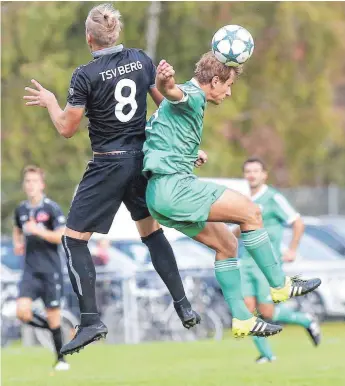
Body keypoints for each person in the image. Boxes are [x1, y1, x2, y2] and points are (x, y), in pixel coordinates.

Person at [23, 3, 199, 355]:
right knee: (151, 234)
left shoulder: (84, 75)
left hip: (107, 164)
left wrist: (51, 101)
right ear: (115, 32)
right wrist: (185, 144)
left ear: (90, 37)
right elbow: (166, 106)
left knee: (73, 241)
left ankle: (90, 320)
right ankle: (183, 305)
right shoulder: (142, 59)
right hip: (140, 161)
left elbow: (67, 129)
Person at [142, 53, 322, 338]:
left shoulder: (180, 106)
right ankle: (280, 285)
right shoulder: (193, 95)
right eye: (228, 85)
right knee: (251, 212)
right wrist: (165, 84)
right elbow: (174, 94)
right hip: (175, 188)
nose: (228, 92)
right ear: (214, 81)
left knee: (227, 243)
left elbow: (168, 115)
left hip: (157, 196)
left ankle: (241, 319)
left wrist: (190, 154)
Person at [239, 157, 321, 363]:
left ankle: (305, 319)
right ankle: (267, 355)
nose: (251, 175)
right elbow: (241, 228)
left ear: (264, 174)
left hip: (267, 265)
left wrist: (292, 249)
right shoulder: (243, 200)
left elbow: (297, 222)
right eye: (248, 171)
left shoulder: (273, 198)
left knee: (266, 311)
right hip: (246, 262)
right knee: (247, 311)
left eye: (256, 171)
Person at [13, 165, 69, 371]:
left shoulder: (51, 208)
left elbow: (60, 236)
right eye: (27, 181)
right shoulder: (21, 209)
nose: (30, 185)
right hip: (30, 270)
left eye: (34, 181)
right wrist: (17, 243)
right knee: (21, 312)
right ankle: (53, 330)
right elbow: (17, 229)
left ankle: (61, 360)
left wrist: (38, 231)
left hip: (50, 270)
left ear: (42, 184)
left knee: (53, 314)